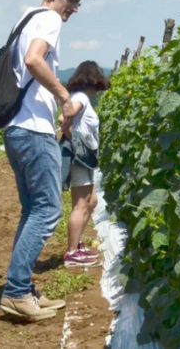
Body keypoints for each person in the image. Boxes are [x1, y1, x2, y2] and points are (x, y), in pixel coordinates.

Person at [0, 0, 89, 322]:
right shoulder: (49, 19)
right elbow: (34, 60)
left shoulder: (26, 18)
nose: (74, 8)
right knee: (48, 209)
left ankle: (20, 288)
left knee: (32, 208)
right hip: (34, 130)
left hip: (15, 129)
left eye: (78, 2)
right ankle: (17, 291)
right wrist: (65, 96)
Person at [59, 61, 109, 267]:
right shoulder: (80, 98)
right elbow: (64, 117)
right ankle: (72, 252)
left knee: (92, 201)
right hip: (81, 158)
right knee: (81, 204)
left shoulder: (81, 98)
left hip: (84, 158)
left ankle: (77, 244)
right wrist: (76, 141)